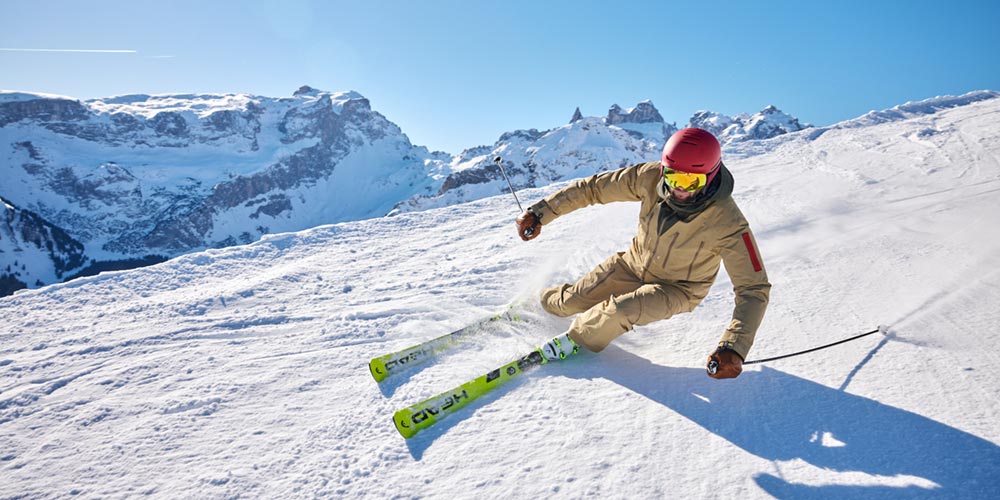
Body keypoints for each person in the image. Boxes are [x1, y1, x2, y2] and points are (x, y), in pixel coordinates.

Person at [515, 128, 770, 379]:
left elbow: (753, 289)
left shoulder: (728, 222)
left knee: (617, 312)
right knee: (569, 302)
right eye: (672, 177)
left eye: (691, 182)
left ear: (710, 176)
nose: (679, 189)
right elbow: (593, 189)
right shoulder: (650, 177)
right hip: (632, 265)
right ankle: (536, 304)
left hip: (678, 288)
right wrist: (541, 212)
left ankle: (572, 341)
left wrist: (734, 346)